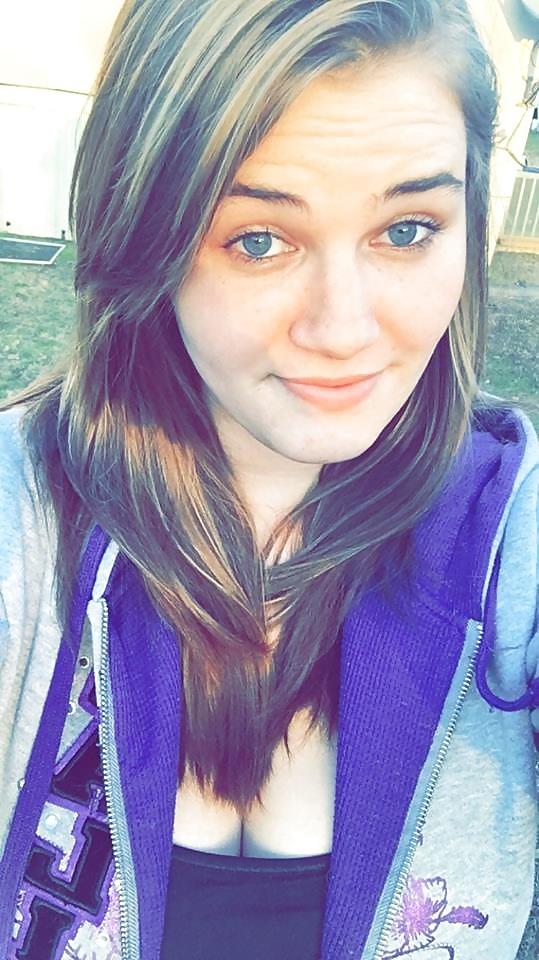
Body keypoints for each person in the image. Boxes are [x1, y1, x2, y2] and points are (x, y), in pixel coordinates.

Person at [0, 0, 538, 958]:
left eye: (407, 230)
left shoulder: (511, 537)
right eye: (258, 239)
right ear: (147, 233)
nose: (342, 328)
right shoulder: (23, 521)